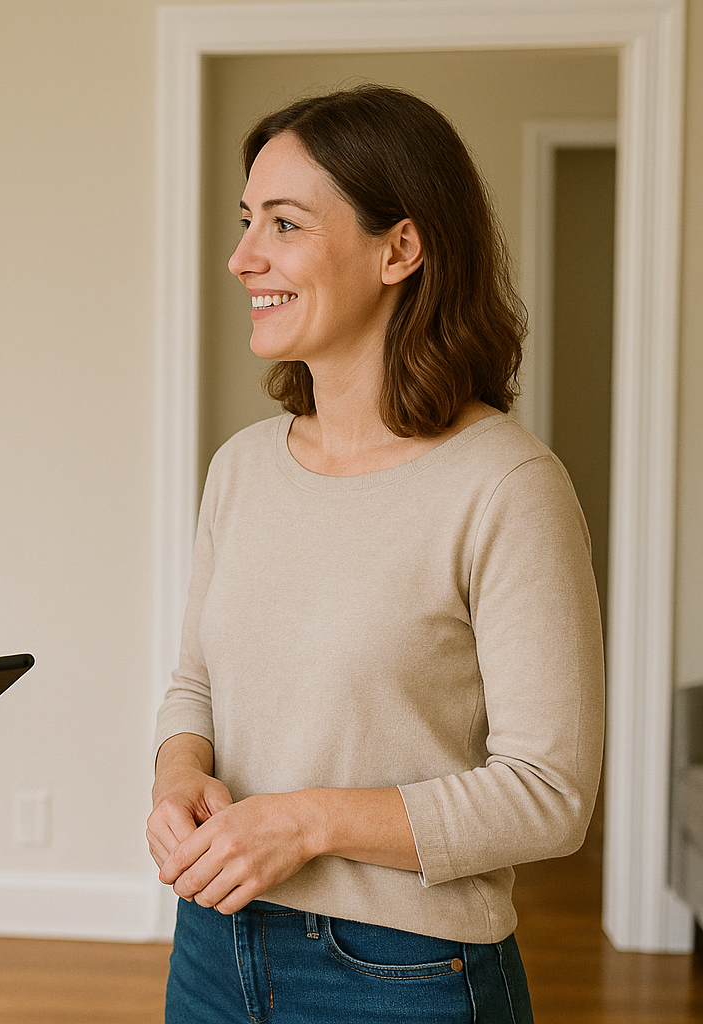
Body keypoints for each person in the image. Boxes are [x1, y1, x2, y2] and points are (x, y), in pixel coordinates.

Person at [147, 85, 603, 1023]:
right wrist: (176, 774)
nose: (243, 258)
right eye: (246, 222)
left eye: (284, 224)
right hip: (211, 946)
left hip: (406, 973)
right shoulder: (241, 468)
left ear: (400, 247)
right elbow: (196, 685)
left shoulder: (507, 484)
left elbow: (550, 796)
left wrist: (306, 821)